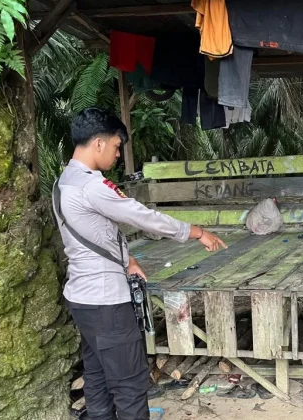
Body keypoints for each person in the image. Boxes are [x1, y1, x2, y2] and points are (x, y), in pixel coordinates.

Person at [52, 107, 227, 420]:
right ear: (98, 143)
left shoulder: (63, 181)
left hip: (81, 299)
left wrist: (128, 259)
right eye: (116, 146)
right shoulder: (92, 186)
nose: (118, 154)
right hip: (106, 303)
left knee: (97, 374)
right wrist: (196, 232)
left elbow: (93, 232)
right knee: (130, 384)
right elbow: (142, 216)